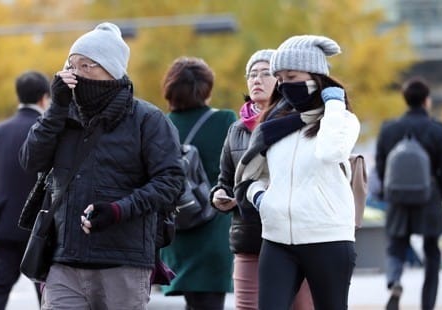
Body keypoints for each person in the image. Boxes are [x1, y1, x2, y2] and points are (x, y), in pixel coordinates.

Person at [18, 22, 184, 309]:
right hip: (63, 259)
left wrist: (118, 209)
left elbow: (171, 182)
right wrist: (56, 108)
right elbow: (29, 160)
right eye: (71, 66)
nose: (76, 74)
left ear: (112, 69)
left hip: (124, 261)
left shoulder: (148, 119)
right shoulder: (61, 116)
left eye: (86, 65)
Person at [234, 35, 360, 309]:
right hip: (277, 238)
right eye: (279, 78)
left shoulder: (342, 120)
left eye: (291, 75)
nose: (284, 85)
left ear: (315, 76)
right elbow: (256, 174)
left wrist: (335, 105)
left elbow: (331, 152)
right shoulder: (273, 124)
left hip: (327, 237)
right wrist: (259, 198)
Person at [210, 49, 313, 310]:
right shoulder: (236, 129)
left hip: (296, 237)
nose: (257, 79)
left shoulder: (300, 121)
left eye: (265, 73)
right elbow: (224, 179)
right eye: (252, 74)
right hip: (250, 237)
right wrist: (219, 195)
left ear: (281, 79)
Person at [160, 56, 236, 310]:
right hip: (213, 227)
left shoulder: (159, 124)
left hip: (175, 227)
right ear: (206, 88)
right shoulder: (225, 120)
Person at [375, 77, 442, 310]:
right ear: (427, 100)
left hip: (398, 197)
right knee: (432, 251)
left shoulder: (389, 128)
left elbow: (381, 165)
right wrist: (440, 190)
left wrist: (389, 191)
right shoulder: (437, 129)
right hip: (429, 196)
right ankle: (427, 304)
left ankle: (395, 281)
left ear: (405, 99)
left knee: (396, 245)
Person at [0, 70, 50, 309]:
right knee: (47, 289)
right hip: (40, 226)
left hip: (2, 224)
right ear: (44, 98)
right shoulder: (47, 131)